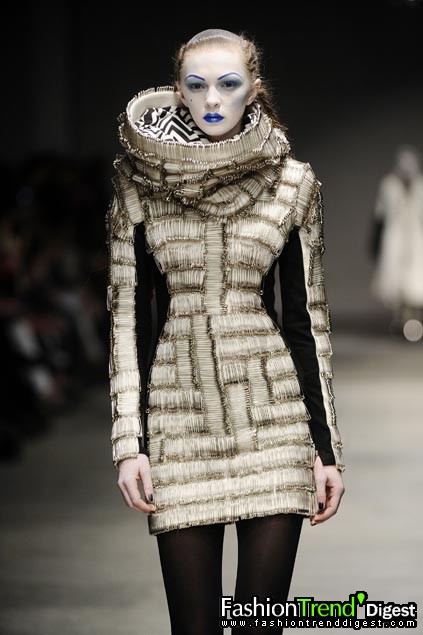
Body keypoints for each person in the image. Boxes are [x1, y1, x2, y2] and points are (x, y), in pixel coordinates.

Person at [106, 28, 345, 634]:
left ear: (253, 90)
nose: (212, 99)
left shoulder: (292, 184)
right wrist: (129, 442)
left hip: (274, 420)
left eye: (228, 84)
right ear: (179, 92)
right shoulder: (140, 182)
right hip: (178, 420)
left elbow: (305, 322)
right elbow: (129, 317)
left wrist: (325, 451)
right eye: (197, 85)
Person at [369, 144, 423, 338]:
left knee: (415, 279)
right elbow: (380, 215)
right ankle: (400, 319)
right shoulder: (389, 185)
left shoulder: (421, 186)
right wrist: (375, 243)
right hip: (394, 237)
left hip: (416, 238)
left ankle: (414, 320)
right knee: (395, 280)